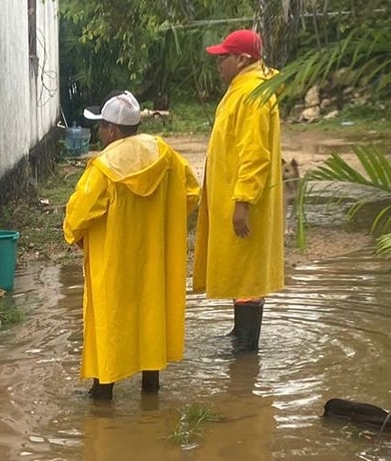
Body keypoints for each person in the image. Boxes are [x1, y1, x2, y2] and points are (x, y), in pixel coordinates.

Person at [63, 91, 200, 401]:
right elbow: (191, 192)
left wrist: (74, 235)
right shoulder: (165, 155)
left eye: (101, 127)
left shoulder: (104, 166)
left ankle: (102, 393)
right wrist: (164, 222)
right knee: (150, 313)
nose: (98, 133)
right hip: (153, 259)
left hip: (114, 261)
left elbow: (80, 213)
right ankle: (151, 389)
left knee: (109, 318)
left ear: (112, 130)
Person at [194, 29, 285, 353]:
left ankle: (247, 345)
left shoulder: (252, 95)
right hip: (233, 196)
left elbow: (254, 153)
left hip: (244, 200)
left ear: (242, 59)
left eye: (223, 58)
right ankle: (239, 333)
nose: (218, 64)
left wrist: (243, 201)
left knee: (247, 272)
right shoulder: (242, 89)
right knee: (240, 268)